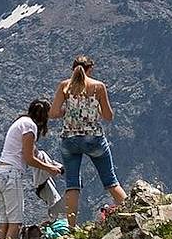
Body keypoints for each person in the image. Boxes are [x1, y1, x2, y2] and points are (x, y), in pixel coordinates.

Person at [49, 55, 127, 229]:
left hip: (69, 139)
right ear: (90, 69)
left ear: (73, 69)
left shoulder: (64, 86)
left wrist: (68, 113)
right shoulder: (98, 87)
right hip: (93, 138)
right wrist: (96, 109)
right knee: (110, 180)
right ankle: (132, 210)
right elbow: (108, 116)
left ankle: (71, 227)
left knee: (72, 184)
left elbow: (53, 113)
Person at [0, 99, 64, 239]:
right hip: (11, 175)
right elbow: (29, 158)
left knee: (4, 223)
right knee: (16, 223)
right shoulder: (30, 126)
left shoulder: (21, 122)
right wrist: (49, 169)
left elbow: (35, 152)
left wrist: (53, 164)